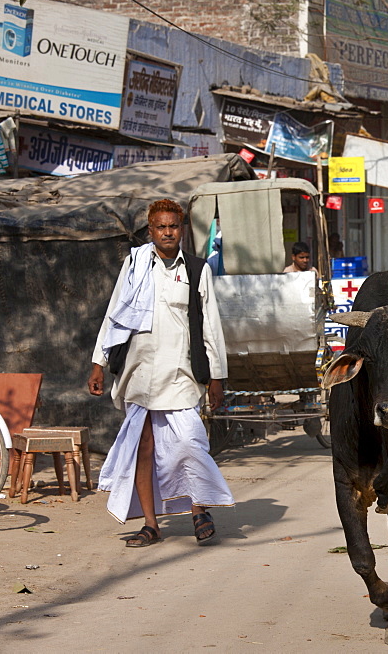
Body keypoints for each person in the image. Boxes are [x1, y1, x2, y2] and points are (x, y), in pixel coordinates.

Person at [88, 199, 233, 548]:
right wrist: (99, 362)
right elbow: (115, 314)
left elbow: (211, 326)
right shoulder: (135, 265)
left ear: (181, 229)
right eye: (160, 227)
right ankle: (151, 525)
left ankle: (199, 509)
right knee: (145, 448)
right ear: (150, 231)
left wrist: (217, 376)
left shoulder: (198, 270)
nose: (168, 232)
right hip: (140, 373)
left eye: (173, 226)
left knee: (190, 442)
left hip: (182, 373)